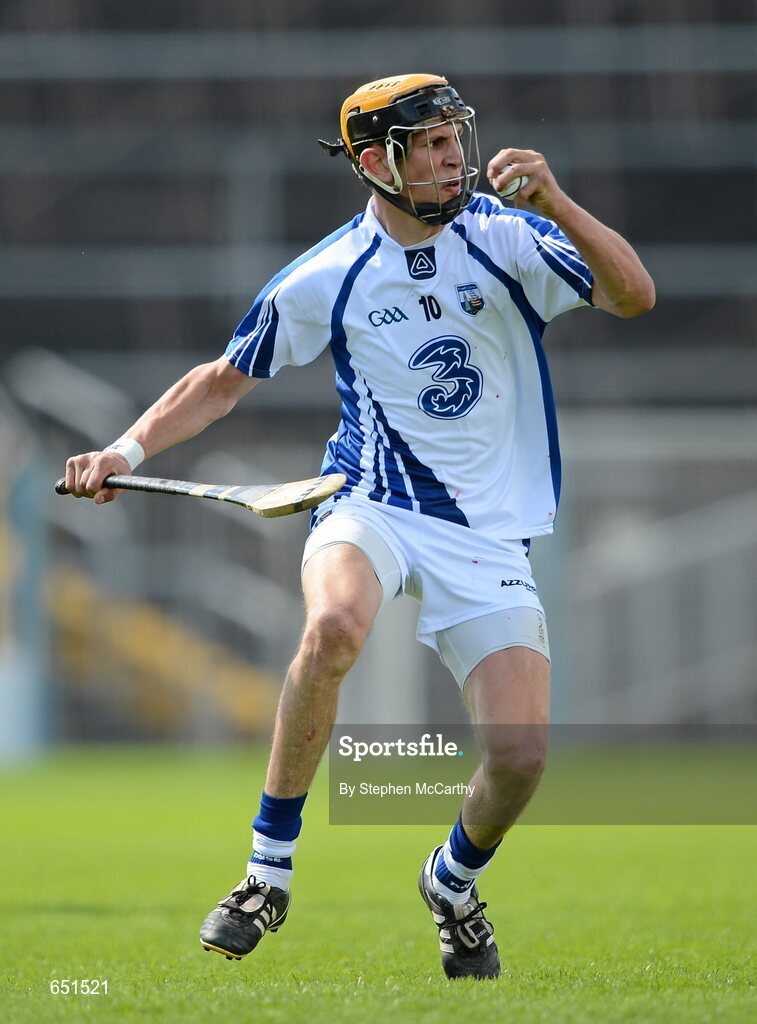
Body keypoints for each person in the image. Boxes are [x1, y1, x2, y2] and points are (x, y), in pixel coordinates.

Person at [64, 73, 654, 980]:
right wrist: (124, 450)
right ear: (377, 163)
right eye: (429, 143)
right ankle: (266, 871)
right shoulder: (327, 274)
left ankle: (452, 881)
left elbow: (631, 297)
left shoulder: (512, 238)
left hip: (489, 536)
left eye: (457, 136)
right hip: (370, 499)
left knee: (521, 754)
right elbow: (223, 379)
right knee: (333, 627)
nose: (454, 155)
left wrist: (559, 201)